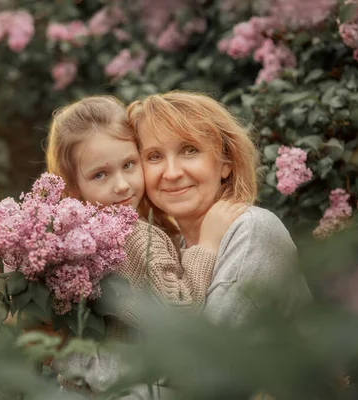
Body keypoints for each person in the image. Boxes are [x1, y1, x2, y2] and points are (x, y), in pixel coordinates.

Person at [44, 95, 246, 396]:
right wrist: (208, 245)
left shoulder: (75, 239)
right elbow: (181, 313)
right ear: (73, 188)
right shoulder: (132, 236)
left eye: (129, 164)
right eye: (100, 174)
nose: (122, 185)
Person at [126, 91, 312, 326]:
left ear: (226, 164)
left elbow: (206, 355)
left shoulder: (253, 229)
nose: (172, 173)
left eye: (189, 150)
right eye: (154, 156)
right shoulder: (173, 248)